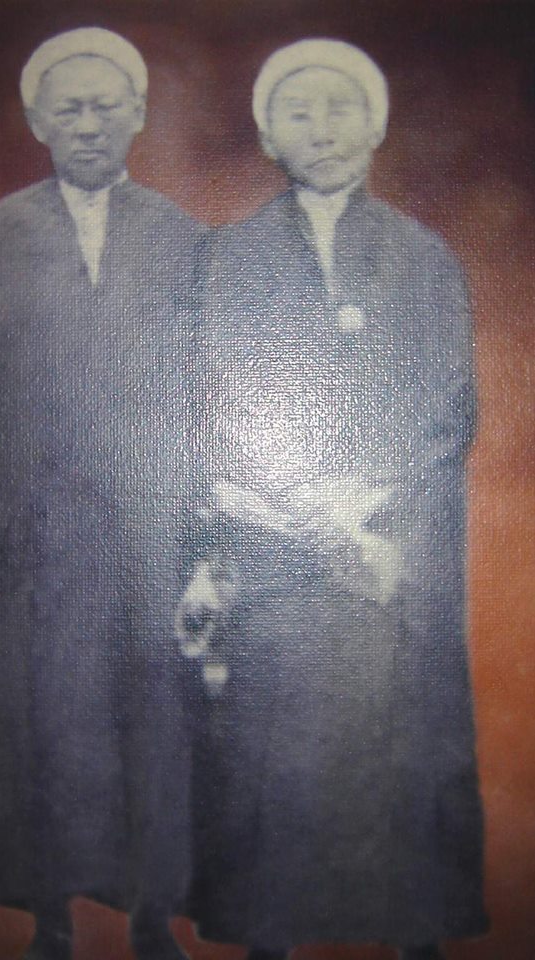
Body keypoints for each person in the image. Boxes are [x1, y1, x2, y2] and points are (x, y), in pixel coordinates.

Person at [179, 38, 487, 960]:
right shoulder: (225, 259)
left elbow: (445, 404)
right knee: (274, 743)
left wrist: (363, 500)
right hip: (270, 544)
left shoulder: (422, 259)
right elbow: (207, 399)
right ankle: (269, 935)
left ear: (376, 126)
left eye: (341, 109)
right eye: (299, 113)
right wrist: (285, 503)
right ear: (268, 137)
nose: (322, 129)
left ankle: (411, 937)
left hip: (391, 542)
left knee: (396, 741)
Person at [0, 27, 202, 960]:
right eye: (68, 109)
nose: (87, 125)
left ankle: (152, 916)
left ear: (137, 115)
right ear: (38, 122)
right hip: (28, 532)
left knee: (151, 721)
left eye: (104, 107)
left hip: (147, 531)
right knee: (34, 720)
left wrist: (200, 530)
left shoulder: (184, 241)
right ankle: (49, 919)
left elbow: (208, 393)